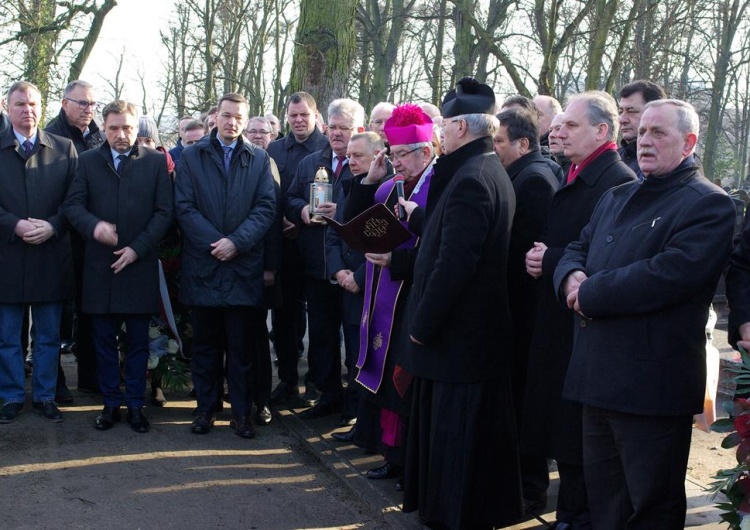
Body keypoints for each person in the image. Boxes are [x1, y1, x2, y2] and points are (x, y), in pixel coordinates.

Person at [556, 99, 735, 530]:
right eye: (643, 132)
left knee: (650, 507)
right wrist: (569, 278)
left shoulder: (709, 204)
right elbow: (576, 248)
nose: (645, 141)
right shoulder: (617, 195)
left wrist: (591, 291)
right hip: (596, 375)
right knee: (606, 503)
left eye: (660, 134)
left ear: (689, 143)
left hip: (651, 384)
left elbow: (671, 274)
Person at [401, 77, 523, 529]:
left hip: (460, 339)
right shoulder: (486, 169)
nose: (438, 132)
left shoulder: (472, 179)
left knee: (457, 441)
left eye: (444, 124)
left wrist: (422, 324)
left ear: (461, 128)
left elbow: (454, 265)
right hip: (467, 340)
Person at [522, 91, 637, 529]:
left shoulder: (617, 182)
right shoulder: (577, 172)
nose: (557, 130)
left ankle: (577, 516)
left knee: (578, 434)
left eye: (570, 125)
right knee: (563, 427)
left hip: (584, 327)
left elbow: (610, 255)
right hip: (559, 319)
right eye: (559, 124)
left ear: (601, 131)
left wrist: (550, 260)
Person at [63, 100, 173, 433]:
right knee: (103, 343)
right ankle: (111, 404)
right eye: (113, 128)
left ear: (136, 127)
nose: (121, 135)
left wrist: (137, 249)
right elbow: (72, 205)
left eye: (127, 127)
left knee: (139, 342)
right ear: (104, 127)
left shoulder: (154, 163)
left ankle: (137, 405)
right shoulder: (87, 162)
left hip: (138, 266)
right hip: (101, 266)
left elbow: (165, 213)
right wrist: (94, 227)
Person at [343, 106, 436, 493]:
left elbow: (439, 247)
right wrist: (370, 181)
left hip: (415, 293)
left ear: (427, 152)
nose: (396, 162)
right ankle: (391, 455)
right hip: (385, 293)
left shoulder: (439, 187)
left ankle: (409, 460)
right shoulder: (389, 186)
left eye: (402, 155)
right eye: (392, 155)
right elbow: (355, 227)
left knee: (406, 381)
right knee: (385, 377)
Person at [175, 92, 276, 439]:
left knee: (241, 348)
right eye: (227, 115)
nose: (232, 122)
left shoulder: (259, 159)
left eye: (238, 117)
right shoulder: (191, 156)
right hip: (204, 265)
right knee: (204, 346)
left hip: (242, 266)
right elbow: (184, 207)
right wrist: (215, 242)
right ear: (216, 116)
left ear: (246, 120)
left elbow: (265, 208)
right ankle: (205, 410)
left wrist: (237, 242)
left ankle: (242, 414)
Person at [0, 81, 78, 424]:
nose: (27, 110)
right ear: (7, 106)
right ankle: (11, 396)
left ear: (42, 106)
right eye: (19, 104)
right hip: (7, 256)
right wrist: (12, 224)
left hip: (50, 255)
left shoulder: (64, 148)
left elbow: (76, 201)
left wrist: (54, 225)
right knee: (6, 338)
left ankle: (45, 396)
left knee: (48, 336)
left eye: (32, 104)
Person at [494, 106, 559, 512]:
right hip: (516, 310)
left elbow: (520, 252)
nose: (494, 148)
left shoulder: (533, 180)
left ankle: (528, 487)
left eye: (499, 141)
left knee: (523, 400)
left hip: (524, 312)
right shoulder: (521, 173)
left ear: (522, 143)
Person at [285, 98, 366, 419]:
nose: (336, 134)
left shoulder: (369, 163)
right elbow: (289, 197)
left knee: (355, 338)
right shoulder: (310, 163)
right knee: (321, 336)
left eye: (343, 128)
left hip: (353, 269)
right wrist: (302, 210)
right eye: (331, 127)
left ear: (357, 129)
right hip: (317, 264)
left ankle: (356, 403)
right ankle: (328, 395)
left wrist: (343, 213)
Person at [45, 79, 106, 400]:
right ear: (64, 103)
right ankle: (52, 380)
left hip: (91, 240)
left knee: (90, 309)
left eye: (92, 104)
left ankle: (90, 375)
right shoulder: (49, 136)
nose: (88, 109)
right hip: (60, 239)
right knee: (57, 313)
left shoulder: (99, 136)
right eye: (82, 103)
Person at [266, 92, 328, 406]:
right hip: (284, 246)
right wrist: (282, 221)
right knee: (284, 318)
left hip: (317, 247)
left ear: (316, 115)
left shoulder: (326, 149)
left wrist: (300, 220)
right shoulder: (275, 149)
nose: (299, 120)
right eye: (293, 116)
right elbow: (269, 194)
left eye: (304, 115)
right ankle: (288, 380)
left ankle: (317, 382)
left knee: (318, 319)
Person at [325, 131, 386, 428]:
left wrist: (359, 277)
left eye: (358, 156)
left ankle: (364, 417)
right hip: (346, 283)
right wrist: (338, 271)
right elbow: (334, 231)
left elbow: (384, 239)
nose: (351, 161)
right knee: (351, 353)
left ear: (378, 155)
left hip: (371, 286)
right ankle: (351, 412)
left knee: (367, 355)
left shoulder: (386, 188)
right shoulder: (346, 185)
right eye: (349, 156)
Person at [617, 80, 666, 174]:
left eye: (631, 111)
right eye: (620, 112)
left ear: (652, 113)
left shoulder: (669, 163)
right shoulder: (615, 159)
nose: (622, 120)